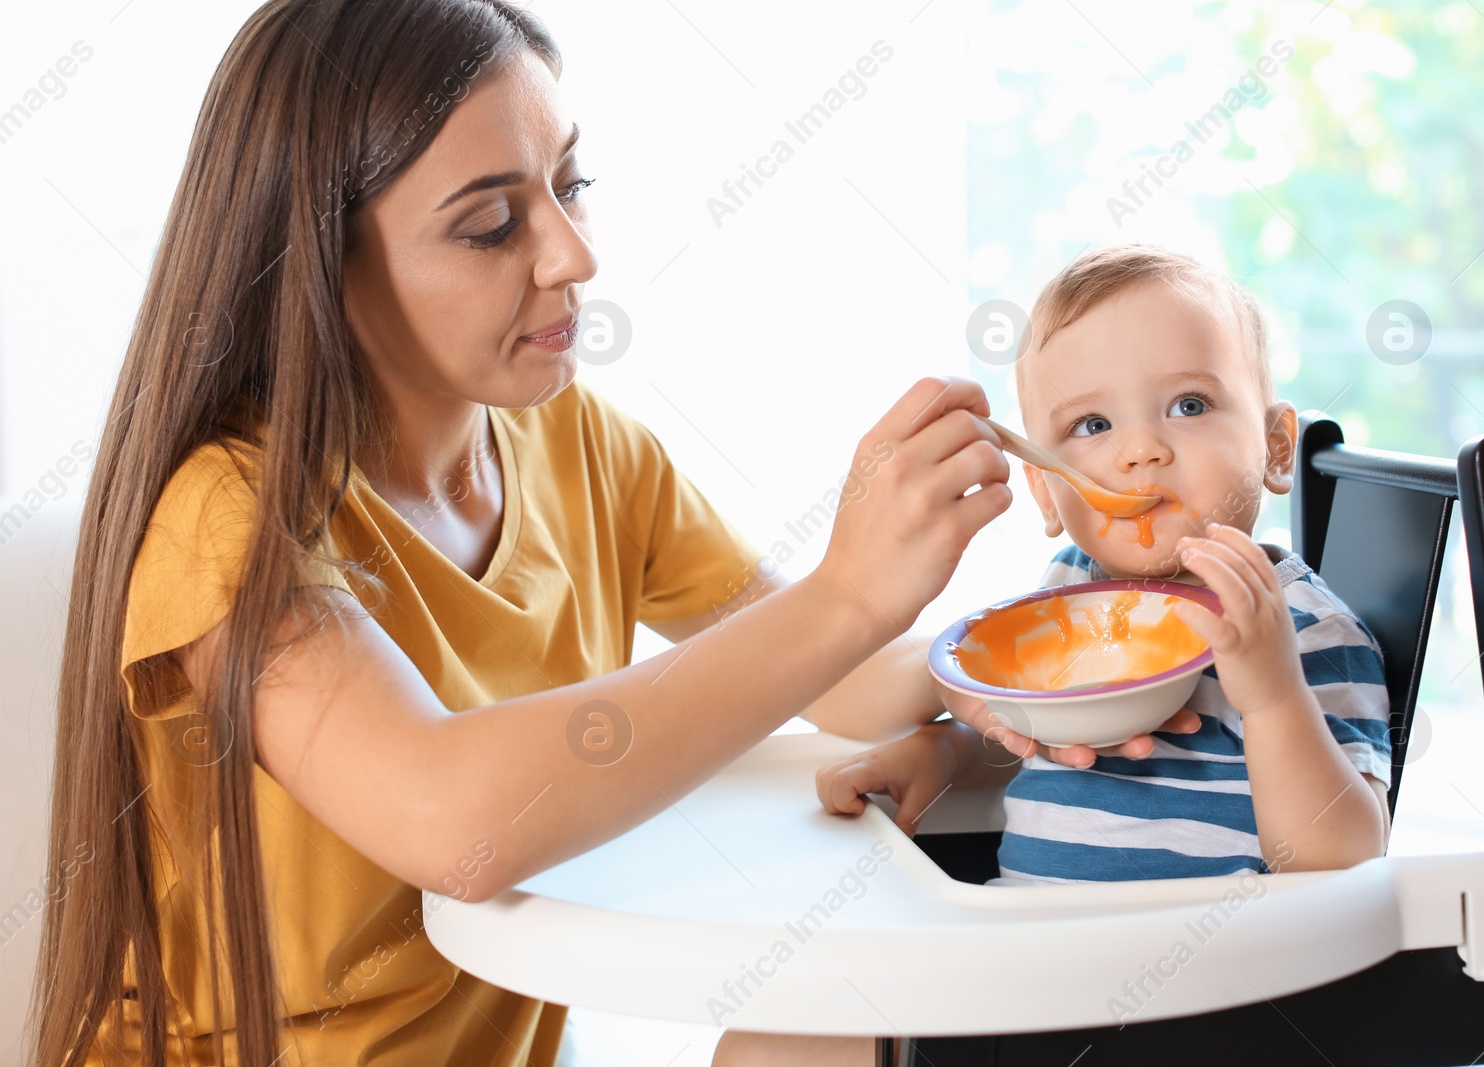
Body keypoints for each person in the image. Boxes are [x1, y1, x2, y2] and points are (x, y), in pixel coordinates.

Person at [27, 4, 1172, 1065]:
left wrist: (1023, 679)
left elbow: (827, 681)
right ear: (322, 265)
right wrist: (843, 594)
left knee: (819, 1031)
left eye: (573, 185)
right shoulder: (226, 515)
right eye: (490, 225)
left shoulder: (579, 444)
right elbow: (453, 822)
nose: (574, 253)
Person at [720, 244, 1395, 1062]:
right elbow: (1053, 748)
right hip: (1029, 961)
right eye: (1092, 425)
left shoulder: (1300, 625)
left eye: (1188, 404)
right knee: (766, 1035)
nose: (1141, 450)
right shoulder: (1067, 596)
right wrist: (951, 753)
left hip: (1193, 1003)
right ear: (1045, 491)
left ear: (1275, 444)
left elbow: (1347, 857)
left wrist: (1274, 696)